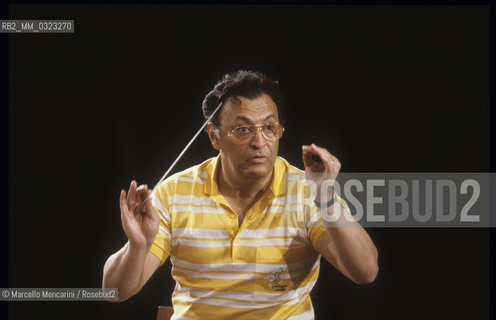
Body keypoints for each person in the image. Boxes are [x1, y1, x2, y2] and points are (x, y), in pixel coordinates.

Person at [102, 70, 378, 319]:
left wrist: (327, 197)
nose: (259, 142)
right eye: (243, 129)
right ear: (214, 136)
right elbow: (115, 292)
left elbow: (365, 272)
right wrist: (136, 247)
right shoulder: (176, 192)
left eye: (269, 128)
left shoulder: (310, 191)